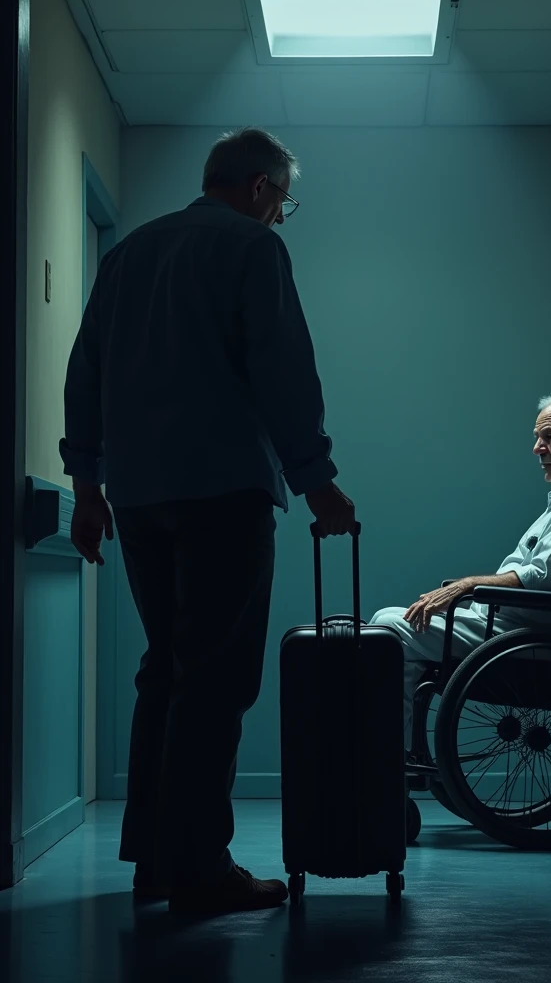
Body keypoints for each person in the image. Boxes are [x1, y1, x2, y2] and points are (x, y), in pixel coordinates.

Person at [60, 127, 356, 914]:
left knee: (166, 669)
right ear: (260, 186)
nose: (280, 217)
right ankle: (197, 869)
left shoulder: (129, 254)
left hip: (139, 493)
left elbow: (84, 368)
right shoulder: (251, 251)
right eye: (282, 201)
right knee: (216, 677)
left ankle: (155, 861)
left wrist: (87, 486)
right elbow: (282, 368)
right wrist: (318, 481)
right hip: (223, 488)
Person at [370, 392, 551, 751]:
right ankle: (399, 755)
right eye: (538, 438)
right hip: (514, 627)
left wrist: (470, 584)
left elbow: (544, 579)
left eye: (549, 437)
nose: (537, 448)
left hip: (526, 634)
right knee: (389, 622)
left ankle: (393, 760)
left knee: (389, 629)